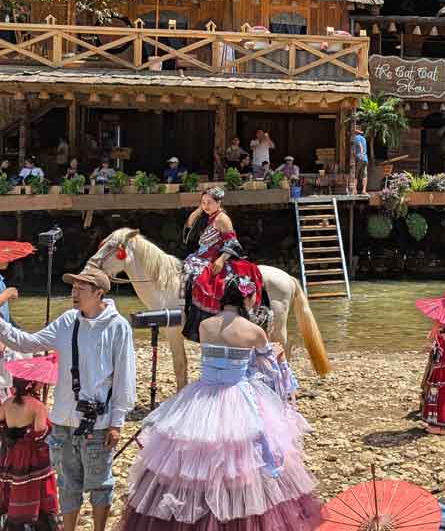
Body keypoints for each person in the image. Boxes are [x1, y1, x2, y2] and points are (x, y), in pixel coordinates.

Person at [117, 277, 320, 531]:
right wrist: (277, 356)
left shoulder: (205, 326)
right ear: (247, 299)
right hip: (237, 396)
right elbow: (267, 370)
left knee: (193, 461)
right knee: (242, 462)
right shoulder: (254, 331)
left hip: (202, 396)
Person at [0, 267, 135, 531]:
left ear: (98, 293)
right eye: (73, 287)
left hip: (98, 423)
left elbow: (124, 377)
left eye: (80, 288)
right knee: (67, 484)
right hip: (63, 419)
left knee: (101, 485)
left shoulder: (118, 327)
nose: (74, 292)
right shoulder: (67, 320)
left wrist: (117, 422)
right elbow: (28, 342)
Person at [180, 187, 265, 343]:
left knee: (200, 277)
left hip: (217, 256)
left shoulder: (222, 219)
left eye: (209, 202)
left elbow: (233, 242)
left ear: (219, 203)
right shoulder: (207, 216)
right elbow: (189, 224)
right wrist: (201, 208)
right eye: (203, 202)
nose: (206, 205)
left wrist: (221, 259)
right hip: (202, 255)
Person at [0, 365, 62, 531]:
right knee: (36, 488)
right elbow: (40, 434)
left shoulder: (7, 402)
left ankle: (15, 522)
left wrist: (13, 434)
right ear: (32, 385)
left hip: (11, 453)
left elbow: (1, 425)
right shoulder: (37, 405)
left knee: (14, 486)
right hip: (31, 455)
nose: (41, 384)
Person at [352, 126, 368, 194]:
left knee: (355, 174)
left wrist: (360, 154)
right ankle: (364, 190)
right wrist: (363, 154)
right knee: (364, 175)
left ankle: (354, 190)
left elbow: (360, 146)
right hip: (365, 158)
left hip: (359, 157)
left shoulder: (356, 137)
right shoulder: (363, 138)